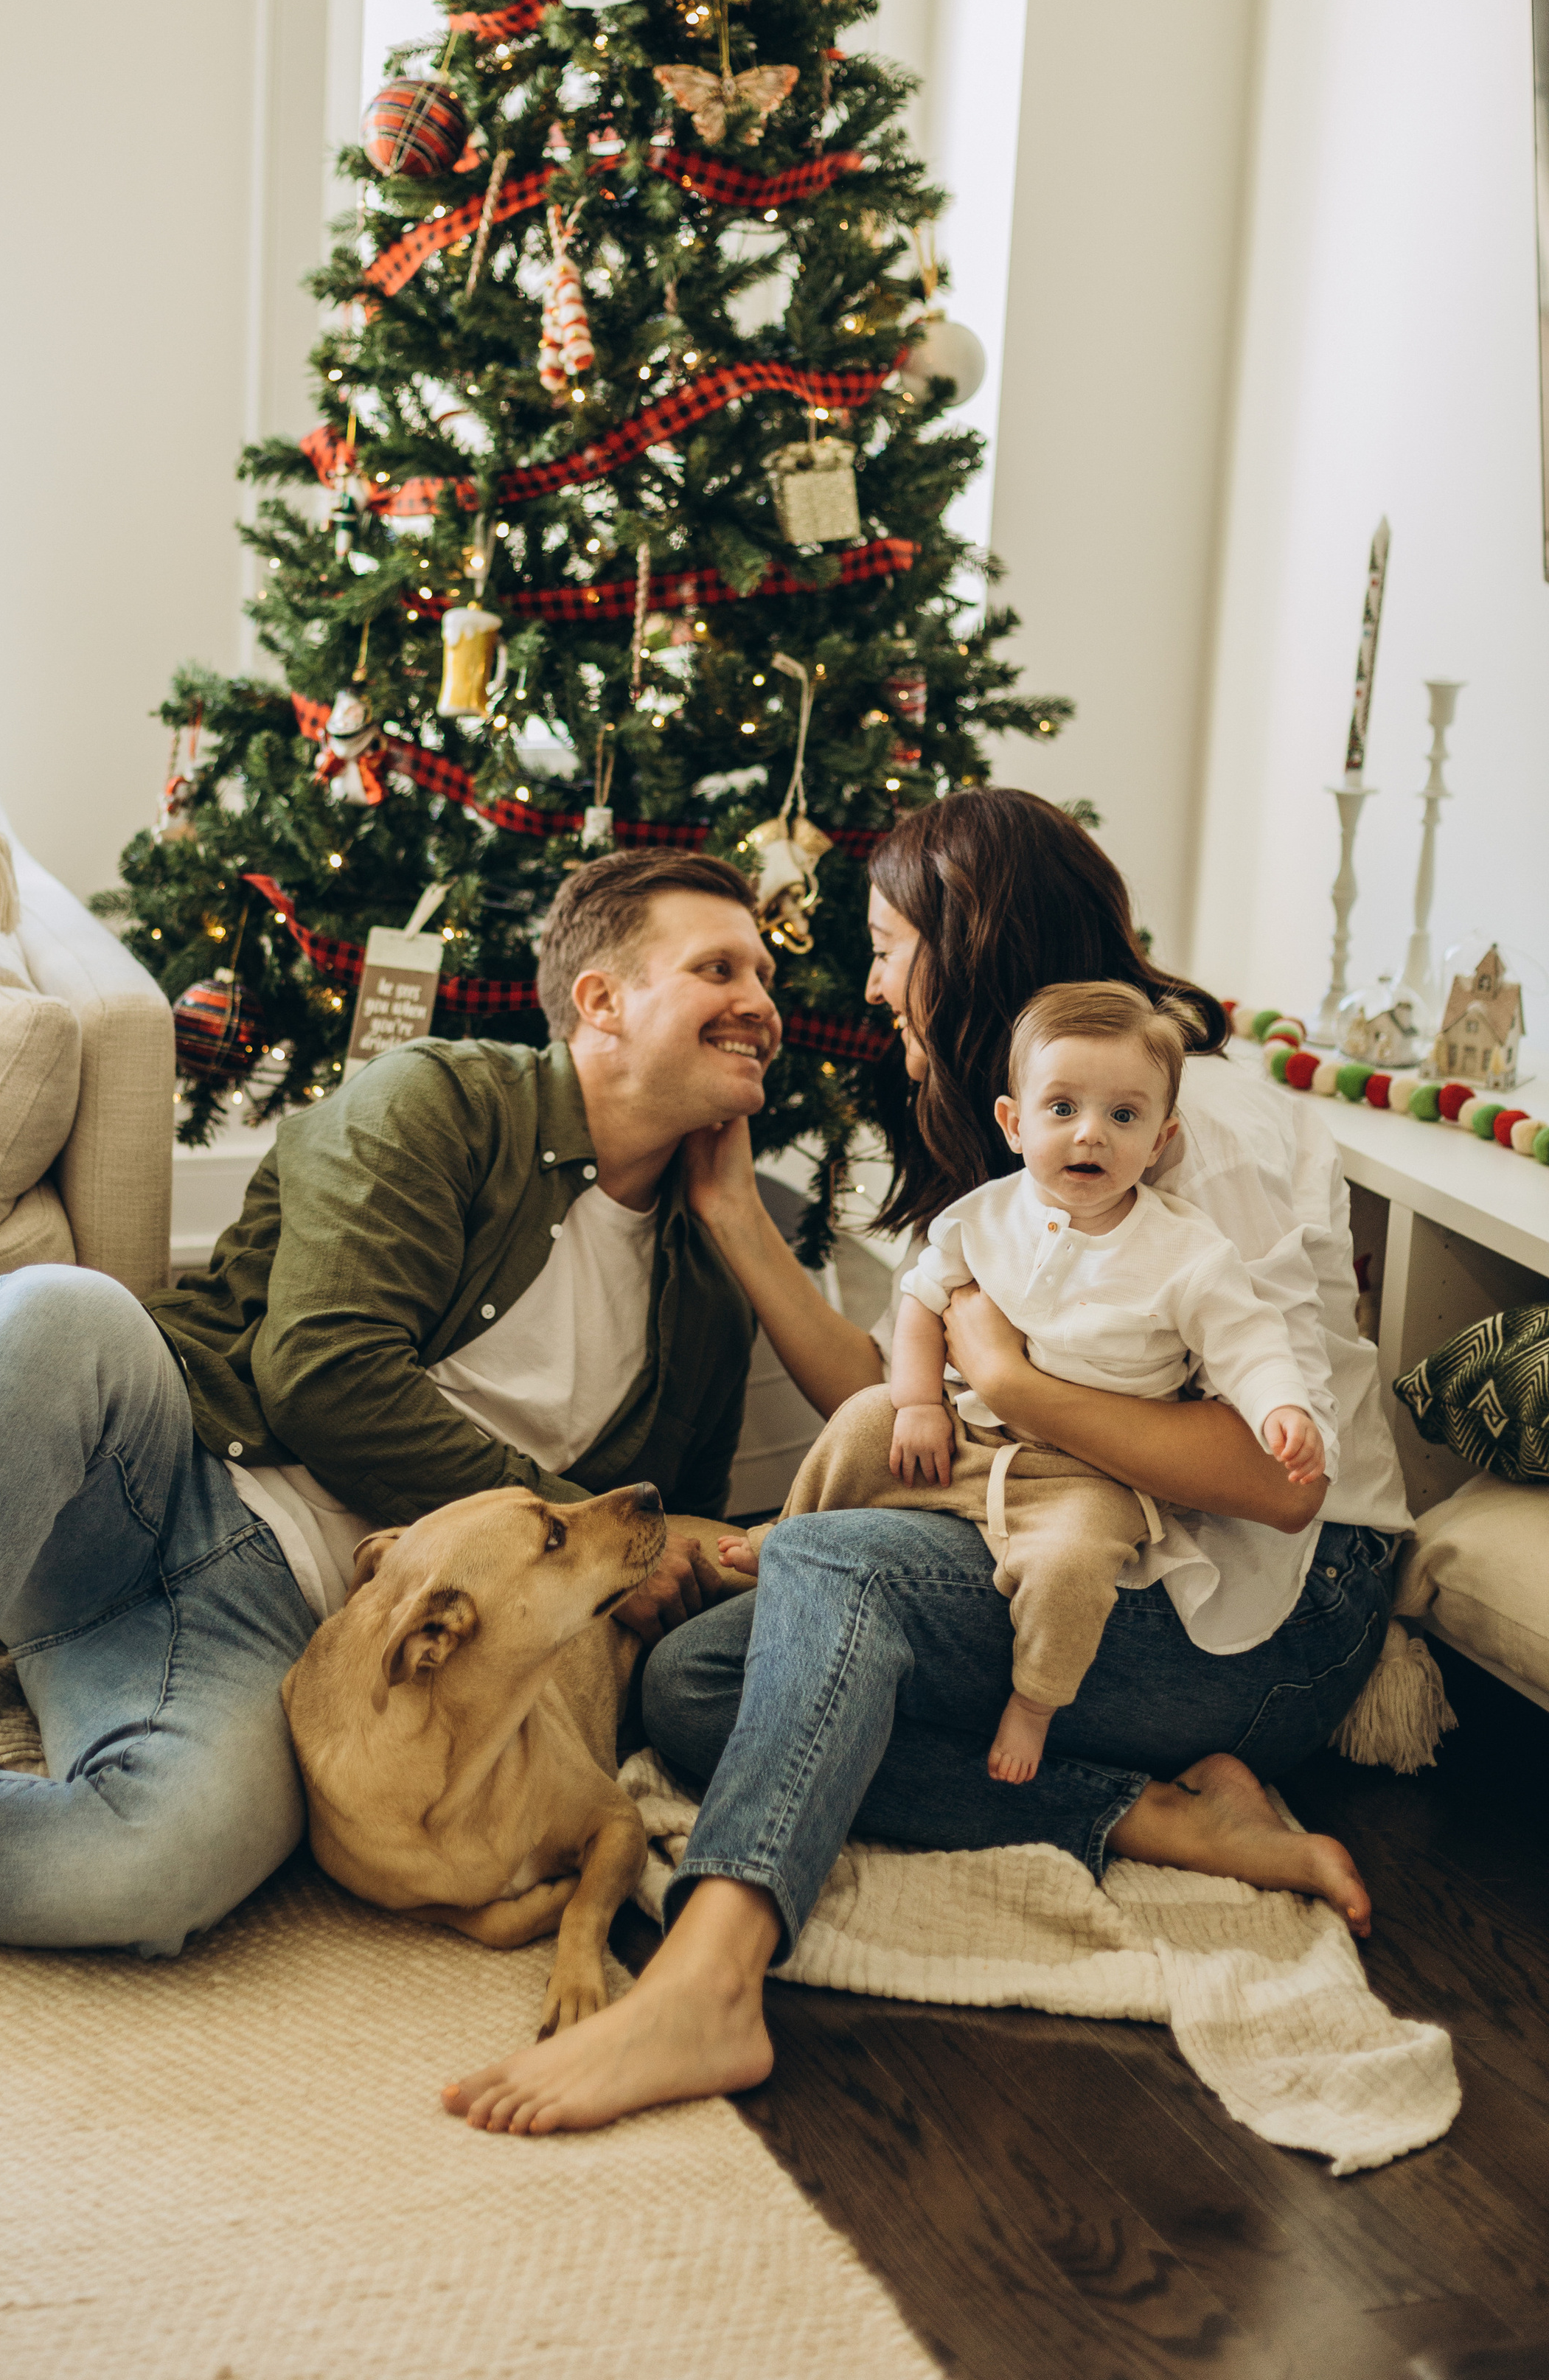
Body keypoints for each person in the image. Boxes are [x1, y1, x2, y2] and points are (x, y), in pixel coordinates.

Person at [0, 848, 774, 2067]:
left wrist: (734, 1242)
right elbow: (323, 1372)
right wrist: (571, 1510)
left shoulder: (707, 1288)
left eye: (768, 974)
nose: (762, 1002)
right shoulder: (444, 1104)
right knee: (53, 1314)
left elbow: (672, 1531)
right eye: (719, 968)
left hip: (285, 1647)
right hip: (170, 1480)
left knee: (154, 1871)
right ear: (601, 1001)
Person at [439, 790, 1413, 2137]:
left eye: (894, 942)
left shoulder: (1191, 1128)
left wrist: (1014, 1384)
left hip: (1279, 1603)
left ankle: (715, 1977)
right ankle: (1153, 1818)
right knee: (693, 1687)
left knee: (833, 1563)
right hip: (1087, 1542)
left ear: (970, 948)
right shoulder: (1029, 1150)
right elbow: (919, 1420)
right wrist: (734, 1219)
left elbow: (1278, 1481)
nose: (874, 976)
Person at [717, 980, 1325, 1786]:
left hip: (1090, 1476)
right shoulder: (982, 1216)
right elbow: (921, 1304)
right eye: (1062, 1108)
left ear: (1160, 1140)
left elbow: (1249, 1341)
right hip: (971, 1437)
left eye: (1123, 1116)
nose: (1090, 1136)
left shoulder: (1187, 1254)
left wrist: (1279, 1405)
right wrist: (917, 1404)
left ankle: (1034, 1702)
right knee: (864, 1421)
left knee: (1073, 1567)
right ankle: (787, 1537)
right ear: (1014, 1122)